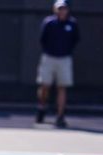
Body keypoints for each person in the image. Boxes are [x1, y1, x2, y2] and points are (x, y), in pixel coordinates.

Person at [36, 0, 80, 128]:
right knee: (45, 86)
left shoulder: (72, 24)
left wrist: (65, 51)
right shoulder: (49, 23)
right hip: (48, 58)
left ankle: (60, 116)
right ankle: (41, 108)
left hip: (64, 59)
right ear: (55, 9)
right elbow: (42, 40)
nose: (62, 11)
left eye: (64, 8)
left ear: (67, 10)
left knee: (62, 87)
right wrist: (50, 51)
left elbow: (75, 40)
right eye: (59, 8)